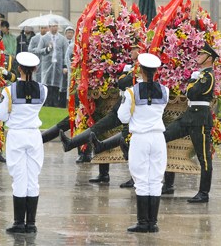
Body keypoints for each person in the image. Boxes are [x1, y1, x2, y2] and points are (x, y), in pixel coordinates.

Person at [61, 42, 141, 186]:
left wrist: (126, 75)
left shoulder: (140, 70)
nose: (131, 51)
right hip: (122, 104)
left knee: (126, 140)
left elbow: (123, 83)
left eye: (134, 49)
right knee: (100, 129)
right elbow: (121, 82)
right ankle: (72, 144)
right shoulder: (132, 68)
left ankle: (135, 177)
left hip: (132, 107)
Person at [118, 53, 169, 233]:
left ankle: (142, 222)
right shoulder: (165, 90)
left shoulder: (131, 92)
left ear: (140, 70)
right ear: (156, 71)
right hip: (158, 137)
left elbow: (122, 117)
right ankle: (152, 223)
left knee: (140, 179)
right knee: (155, 179)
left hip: (140, 137)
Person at [0, 52, 47, 234]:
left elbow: (1, 116)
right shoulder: (43, 89)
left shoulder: (9, 91)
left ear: (18, 68)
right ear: (35, 69)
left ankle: (19, 223)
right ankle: (31, 223)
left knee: (19, 178)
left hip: (16, 135)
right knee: (33, 178)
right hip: (34, 135)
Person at [161, 43, 217, 203]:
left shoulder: (208, 76)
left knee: (204, 157)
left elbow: (191, 92)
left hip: (200, 119)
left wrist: (192, 82)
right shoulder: (201, 75)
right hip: (189, 116)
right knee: (163, 137)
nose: (198, 56)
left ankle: (204, 193)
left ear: (209, 58)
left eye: (202, 54)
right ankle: (168, 182)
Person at [38, 22, 67, 107]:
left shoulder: (62, 39)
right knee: (47, 85)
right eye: (52, 26)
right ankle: (47, 103)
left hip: (58, 66)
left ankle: (55, 103)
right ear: (49, 27)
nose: (54, 28)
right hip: (47, 65)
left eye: (56, 26)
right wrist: (47, 49)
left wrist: (64, 65)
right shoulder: (44, 38)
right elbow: (39, 50)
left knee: (56, 85)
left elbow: (65, 52)